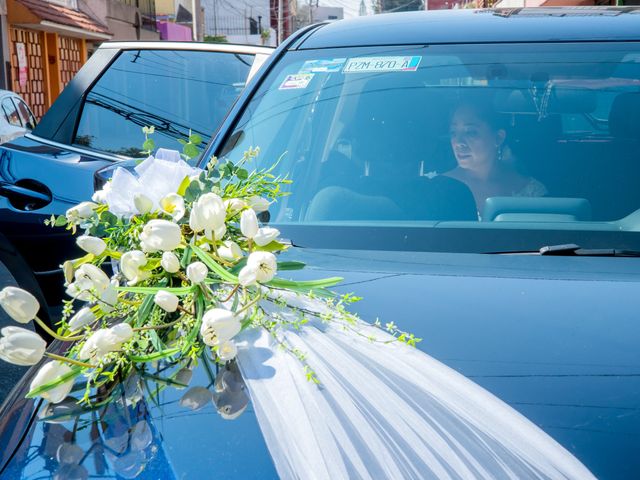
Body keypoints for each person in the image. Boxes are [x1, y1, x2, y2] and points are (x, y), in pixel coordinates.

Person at [445, 100, 546, 213]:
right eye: (453, 132)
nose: (458, 142)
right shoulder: (437, 187)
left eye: (471, 132)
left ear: (498, 137)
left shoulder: (530, 192)